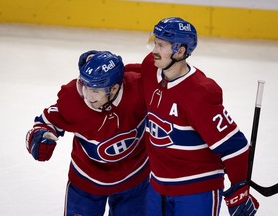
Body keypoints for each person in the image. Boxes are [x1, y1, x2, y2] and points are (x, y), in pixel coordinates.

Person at [133, 17, 259, 215]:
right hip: (159, 185)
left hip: (197, 190)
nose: (154, 50)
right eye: (154, 42)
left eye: (161, 45)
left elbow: (235, 147)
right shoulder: (151, 67)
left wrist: (239, 192)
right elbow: (134, 74)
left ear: (180, 51)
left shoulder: (199, 93)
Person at [25, 50, 149, 216]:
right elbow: (46, 122)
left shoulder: (138, 89)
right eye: (86, 87)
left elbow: (167, 81)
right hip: (86, 183)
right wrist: (40, 136)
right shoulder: (73, 99)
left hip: (134, 180)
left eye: (96, 90)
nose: (88, 96)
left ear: (114, 88)